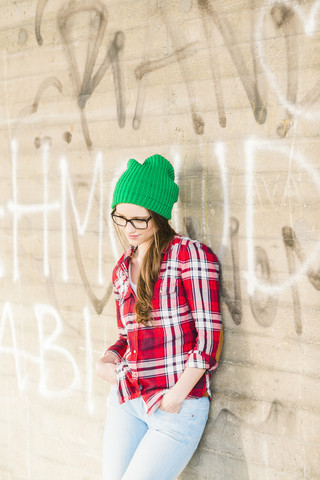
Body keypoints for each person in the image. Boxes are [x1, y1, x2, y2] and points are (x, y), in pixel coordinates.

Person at [96, 154, 223, 480]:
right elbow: (127, 337)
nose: (129, 229)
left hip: (175, 406)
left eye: (140, 220)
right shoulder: (122, 268)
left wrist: (176, 396)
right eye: (121, 218)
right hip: (127, 398)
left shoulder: (189, 255)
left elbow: (208, 338)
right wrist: (108, 359)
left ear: (159, 217)